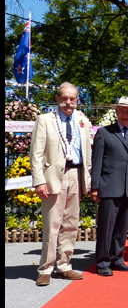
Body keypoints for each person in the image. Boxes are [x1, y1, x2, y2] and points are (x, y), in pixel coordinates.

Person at [30, 82, 92, 286]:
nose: (68, 102)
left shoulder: (83, 121)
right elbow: (36, 154)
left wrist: (88, 180)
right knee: (52, 224)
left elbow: (87, 154)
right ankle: (45, 268)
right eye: (64, 98)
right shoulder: (44, 120)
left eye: (72, 99)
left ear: (77, 100)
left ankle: (64, 266)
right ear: (57, 99)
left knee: (71, 224)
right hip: (52, 177)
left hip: (75, 173)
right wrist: (39, 180)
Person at [91, 97, 128, 276]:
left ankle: (117, 259)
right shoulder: (104, 133)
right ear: (116, 112)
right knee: (106, 227)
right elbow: (97, 161)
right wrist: (95, 186)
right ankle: (102, 262)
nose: (125, 114)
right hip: (109, 187)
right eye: (122, 111)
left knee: (122, 228)